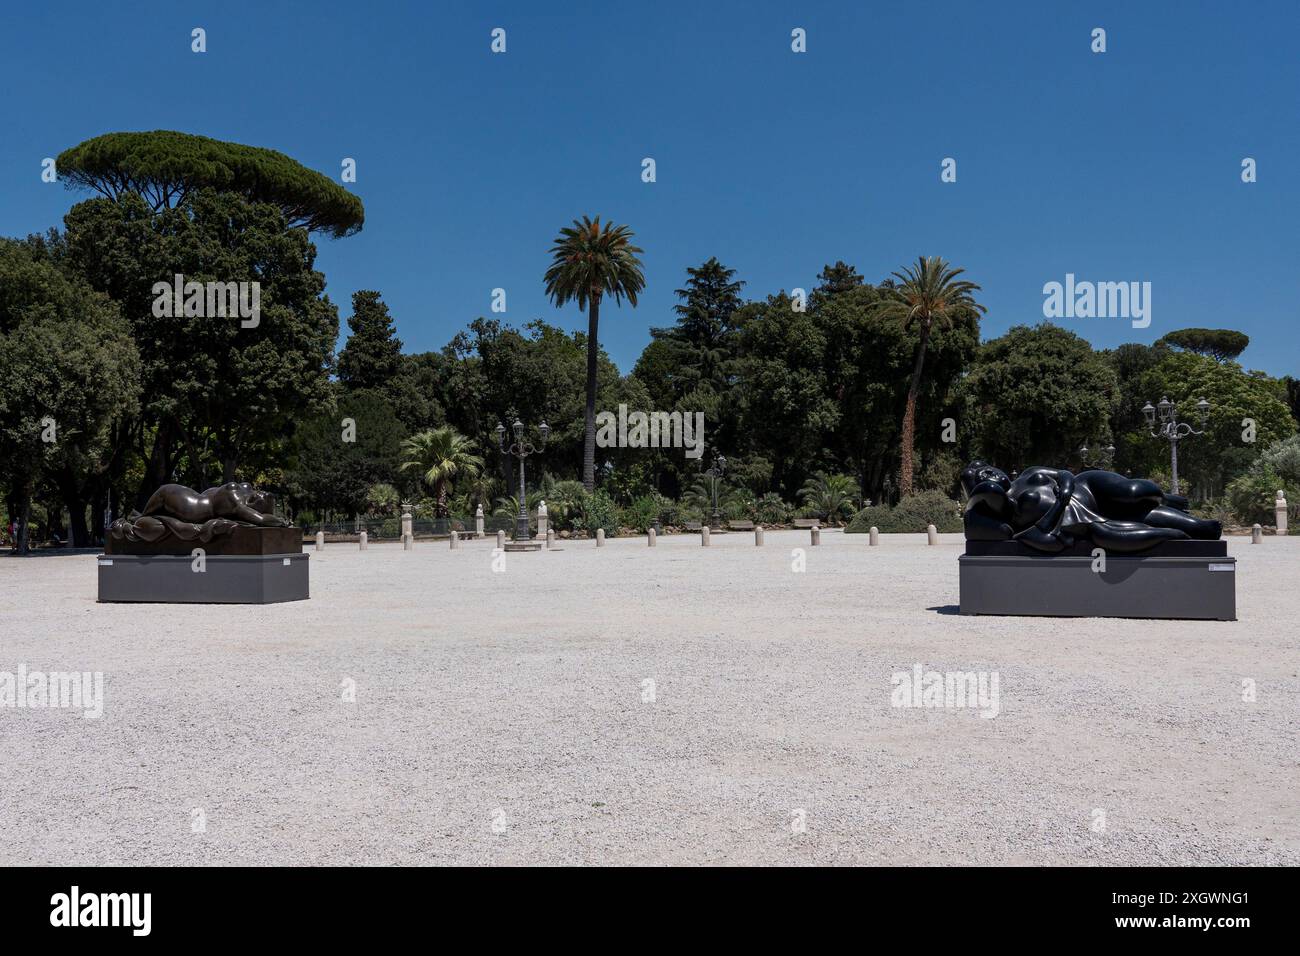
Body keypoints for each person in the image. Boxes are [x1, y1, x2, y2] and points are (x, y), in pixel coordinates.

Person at [960, 460, 1221, 553]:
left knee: (1131, 492)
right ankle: (1199, 529)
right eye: (982, 477)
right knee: (1140, 518)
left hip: (1087, 488)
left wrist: (1065, 490)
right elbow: (986, 508)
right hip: (1077, 517)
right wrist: (981, 494)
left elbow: (1063, 473)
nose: (991, 476)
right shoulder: (1007, 510)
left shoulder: (1028, 473)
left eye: (989, 470)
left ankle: (1163, 496)